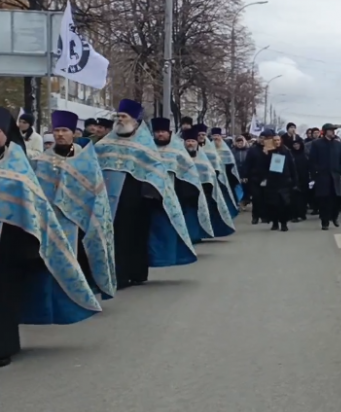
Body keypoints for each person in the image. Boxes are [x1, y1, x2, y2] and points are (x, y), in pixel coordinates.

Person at [0, 107, 102, 368]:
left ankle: (3, 346)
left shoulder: (17, 164)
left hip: (8, 242)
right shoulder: (40, 160)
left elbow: (33, 205)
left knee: (3, 294)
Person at [95, 100, 196, 286]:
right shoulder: (105, 143)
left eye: (123, 117)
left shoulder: (145, 144)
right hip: (111, 200)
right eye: (118, 117)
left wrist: (150, 195)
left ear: (134, 120)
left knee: (137, 236)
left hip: (138, 199)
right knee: (118, 237)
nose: (119, 120)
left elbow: (155, 172)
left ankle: (137, 272)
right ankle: (120, 275)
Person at [29, 110, 117, 300]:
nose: (60, 134)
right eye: (57, 130)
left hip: (81, 220)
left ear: (74, 133)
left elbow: (97, 191)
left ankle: (85, 294)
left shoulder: (86, 160)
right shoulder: (41, 161)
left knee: (81, 257)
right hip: (52, 220)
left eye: (64, 130)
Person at [152, 118, 219, 243]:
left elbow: (191, 172)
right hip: (154, 194)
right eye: (157, 131)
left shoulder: (177, 149)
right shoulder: (149, 148)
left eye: (163, 131)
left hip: (182, 192)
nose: (160, 134)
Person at [309, 123, 341, 230]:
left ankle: (334, 217)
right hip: (322, 177)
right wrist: (315, 174)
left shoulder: (338, 144)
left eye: (334, 130)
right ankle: (324, 221)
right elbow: (312, 160)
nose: (333, 132)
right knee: (324, 200)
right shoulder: (317, 144)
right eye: (330, 130)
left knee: (337, 199)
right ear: (325, 131)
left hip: (336, 176)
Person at [258, 129, 297, 232]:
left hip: (284, 181)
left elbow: (292, 166)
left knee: (284, 204)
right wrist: (265, 155)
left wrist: (294, 180)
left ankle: (283, 223)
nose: (277, 142)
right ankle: (274, 222)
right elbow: (263, 167)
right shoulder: (268, 152)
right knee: (273, 204)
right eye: (274, 140)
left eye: (278, 140)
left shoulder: (286, 151)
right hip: (272, 182)